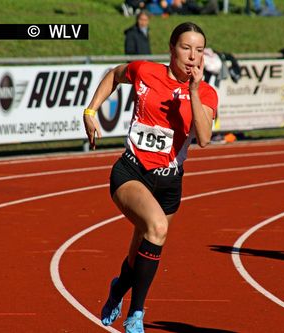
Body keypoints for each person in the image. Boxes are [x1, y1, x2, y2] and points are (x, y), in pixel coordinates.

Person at [83, 22, 218, 333]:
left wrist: (193, 91)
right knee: (156, 229)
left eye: (199, 50)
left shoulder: (207, 92)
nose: (192, 56)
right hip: (131, 172)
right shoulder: (145, 71)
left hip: (169, 184)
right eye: (186, 48)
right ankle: (136, 314)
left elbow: (205, 137)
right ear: (172, 49)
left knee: (140, 253)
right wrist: (91, 112)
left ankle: (118, 289)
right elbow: (115, 75)